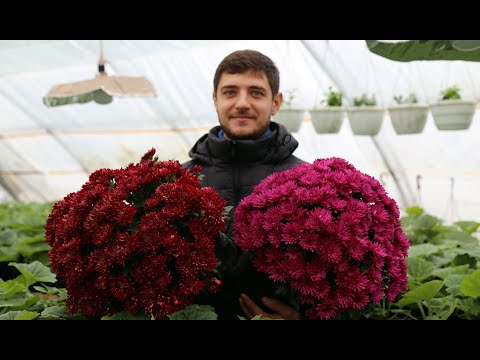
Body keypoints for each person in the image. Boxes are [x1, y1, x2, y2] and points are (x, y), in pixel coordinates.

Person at [183, 49, 305, 320]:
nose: (242, 103)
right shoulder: (181, 182)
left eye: (256, 92)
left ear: (276, 102)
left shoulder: (308, 182)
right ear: (215, 99)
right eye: (230, 92)